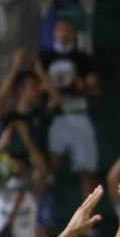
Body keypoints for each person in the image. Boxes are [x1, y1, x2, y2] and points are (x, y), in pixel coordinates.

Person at [38, 17, 101, 186]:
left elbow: (95, 88)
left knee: (86, 171)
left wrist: (83, 85)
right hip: (53, 117)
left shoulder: (83, 58)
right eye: (60, 29)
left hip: (78, 114)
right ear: (53, 33)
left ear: (73, 33)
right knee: (48, 168)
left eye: (68, 29)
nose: (64, 33)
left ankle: (91, 203)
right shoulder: (43, 59)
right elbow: (35, 88)